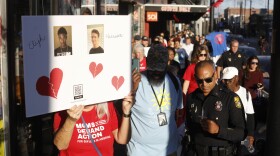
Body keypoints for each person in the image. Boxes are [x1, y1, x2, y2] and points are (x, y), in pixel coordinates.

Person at [53, 71, 140, 156]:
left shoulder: (107, 106)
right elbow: (60, 146)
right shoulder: (64, 110)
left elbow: (122, 140)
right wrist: (70, 120)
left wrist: (126, 112)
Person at [127, 44, 183, 156]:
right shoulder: (134, 81)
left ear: (167, 63)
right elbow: (122, 110)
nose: (156, 73)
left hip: (169, 149)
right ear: (147, 62)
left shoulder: (175, 81)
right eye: (153, 69)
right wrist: (133, 89)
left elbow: (178, 112)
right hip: (140, 151)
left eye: (160, 69)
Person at [184, 60, 246, 156]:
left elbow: (241, 133)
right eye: (200, 81)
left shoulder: (230, 98)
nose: (204, 84)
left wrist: (219, 130)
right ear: (195, 78)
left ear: (215, 75)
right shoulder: (191, 98)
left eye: (208, 79)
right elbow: (189, 128)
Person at [222, 67, 255, 155]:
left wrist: (250, 134)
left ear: (236, 78)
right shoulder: (221, 93)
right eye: (224, 80)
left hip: (240, 133)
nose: (226, 83)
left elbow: (250, 115)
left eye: (229, 80)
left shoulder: (246, 93)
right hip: (224, 132)